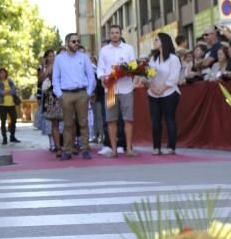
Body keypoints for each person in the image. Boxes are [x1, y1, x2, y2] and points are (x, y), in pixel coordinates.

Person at [51, 33, 95, 161]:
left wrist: (88, 93)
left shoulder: (84, 57)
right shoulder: (59, 59)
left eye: (77, 41)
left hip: (82, 93)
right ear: (67, 43)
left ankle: (85, 149)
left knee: (83, 123)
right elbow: (56, 78)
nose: (76, 44)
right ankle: (67, 150)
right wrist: (59, 94)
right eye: (73, 41)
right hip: (66, 94)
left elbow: (91, 76)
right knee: (68, 124)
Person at [97, 25, 138, 156]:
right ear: (109, 35)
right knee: (111, 120)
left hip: (126, 88)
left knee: (128, 119)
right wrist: (103, 77)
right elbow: (100, 68)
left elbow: (133, 66)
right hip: (110, 89)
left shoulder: (129, 48)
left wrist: (128, 71)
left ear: (121, 34)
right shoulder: (104, 50)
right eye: (112, 33)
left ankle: (129, 149)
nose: (114, 35)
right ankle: (113, 150)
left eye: (117, 33)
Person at [146, 33, 181, 156]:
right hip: (153, 93)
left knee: (169, 119)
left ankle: (171, 147)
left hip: (169, 93)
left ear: (164, 42)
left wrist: (163, 88)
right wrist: (153, 87)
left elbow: (174, 77)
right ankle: (156, 147)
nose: (154, 42)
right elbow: (149, 75)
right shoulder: (153, 59)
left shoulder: (173, 58)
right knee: (155, 121)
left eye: (157, 40)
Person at [0, 67, 20, 145]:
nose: (2, 74)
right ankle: (4, 138)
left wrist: (6, 92)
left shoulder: (10, 81)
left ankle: (12, 136)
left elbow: (14, 90)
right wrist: (7, 92)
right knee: (3, 121)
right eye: (1, 73)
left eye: (4, 72)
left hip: (11, 104)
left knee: (14, 119)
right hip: (2, 104)